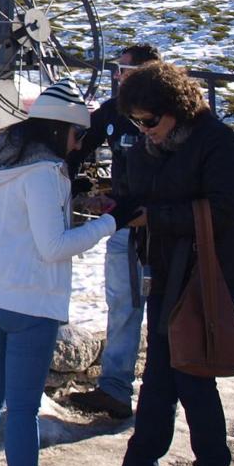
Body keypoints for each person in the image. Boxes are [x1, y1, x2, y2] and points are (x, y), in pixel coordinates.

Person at [0, 78, 143, 466]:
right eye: (78, 135)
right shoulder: (42, 171)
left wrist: (74, 194)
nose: (80, 144)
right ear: (61, 129)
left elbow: (14, 209)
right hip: (26, 302)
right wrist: (113, 222)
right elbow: (53, 245)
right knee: (22, 409)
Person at [111, 62, 234, 466]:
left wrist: (153, 218)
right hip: (166, 270)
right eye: (137, 122)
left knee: (190, 373)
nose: (144, 131)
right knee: (159, 375)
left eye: (150, 121)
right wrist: (113, 204)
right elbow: (136, 196)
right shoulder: (146, 146)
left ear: (176, 109)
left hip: (209, 271)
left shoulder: (216, 141)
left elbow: (224, 209)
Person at [67, 44, 161, 419]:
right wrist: (73, 181)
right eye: (118, 70)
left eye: (127, 69)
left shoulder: (172, 112)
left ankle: (161, 390)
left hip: (168, 225)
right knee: (123, 305)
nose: (119, 76)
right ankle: (116, 388)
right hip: (124, 223)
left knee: (165, 310)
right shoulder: (113, 111)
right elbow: (78, 144)